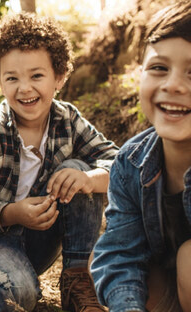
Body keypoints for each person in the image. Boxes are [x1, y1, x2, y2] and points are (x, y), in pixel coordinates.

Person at [0, 12, 119, 312]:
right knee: (19, 298)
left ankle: (77, 278)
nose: (24, 88)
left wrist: (91, 179)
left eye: (37, 76)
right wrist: (12, 213)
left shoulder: (67, 119)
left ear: (59, 77)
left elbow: (119, 162)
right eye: (12, 78)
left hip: (38, 241)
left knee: (78, 171)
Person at [91, 2, 191, 311]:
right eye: (159, 67)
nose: (172, 84)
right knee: (130, 275)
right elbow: (120, 256)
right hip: (171, 281)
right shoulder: (131, 162)